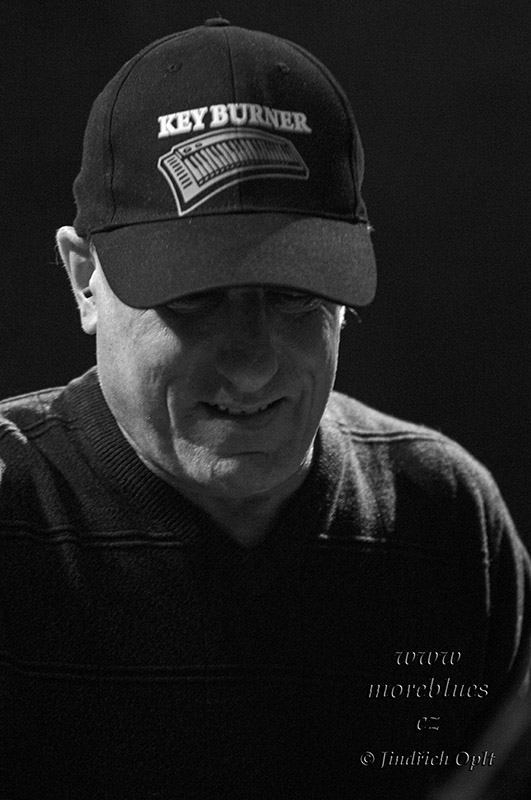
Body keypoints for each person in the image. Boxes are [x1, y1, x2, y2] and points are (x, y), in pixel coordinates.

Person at [0, 19, 529, 800]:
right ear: (85, 278)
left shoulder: (446, 519)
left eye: (293, 294)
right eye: (193, 296)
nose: (252, 360)